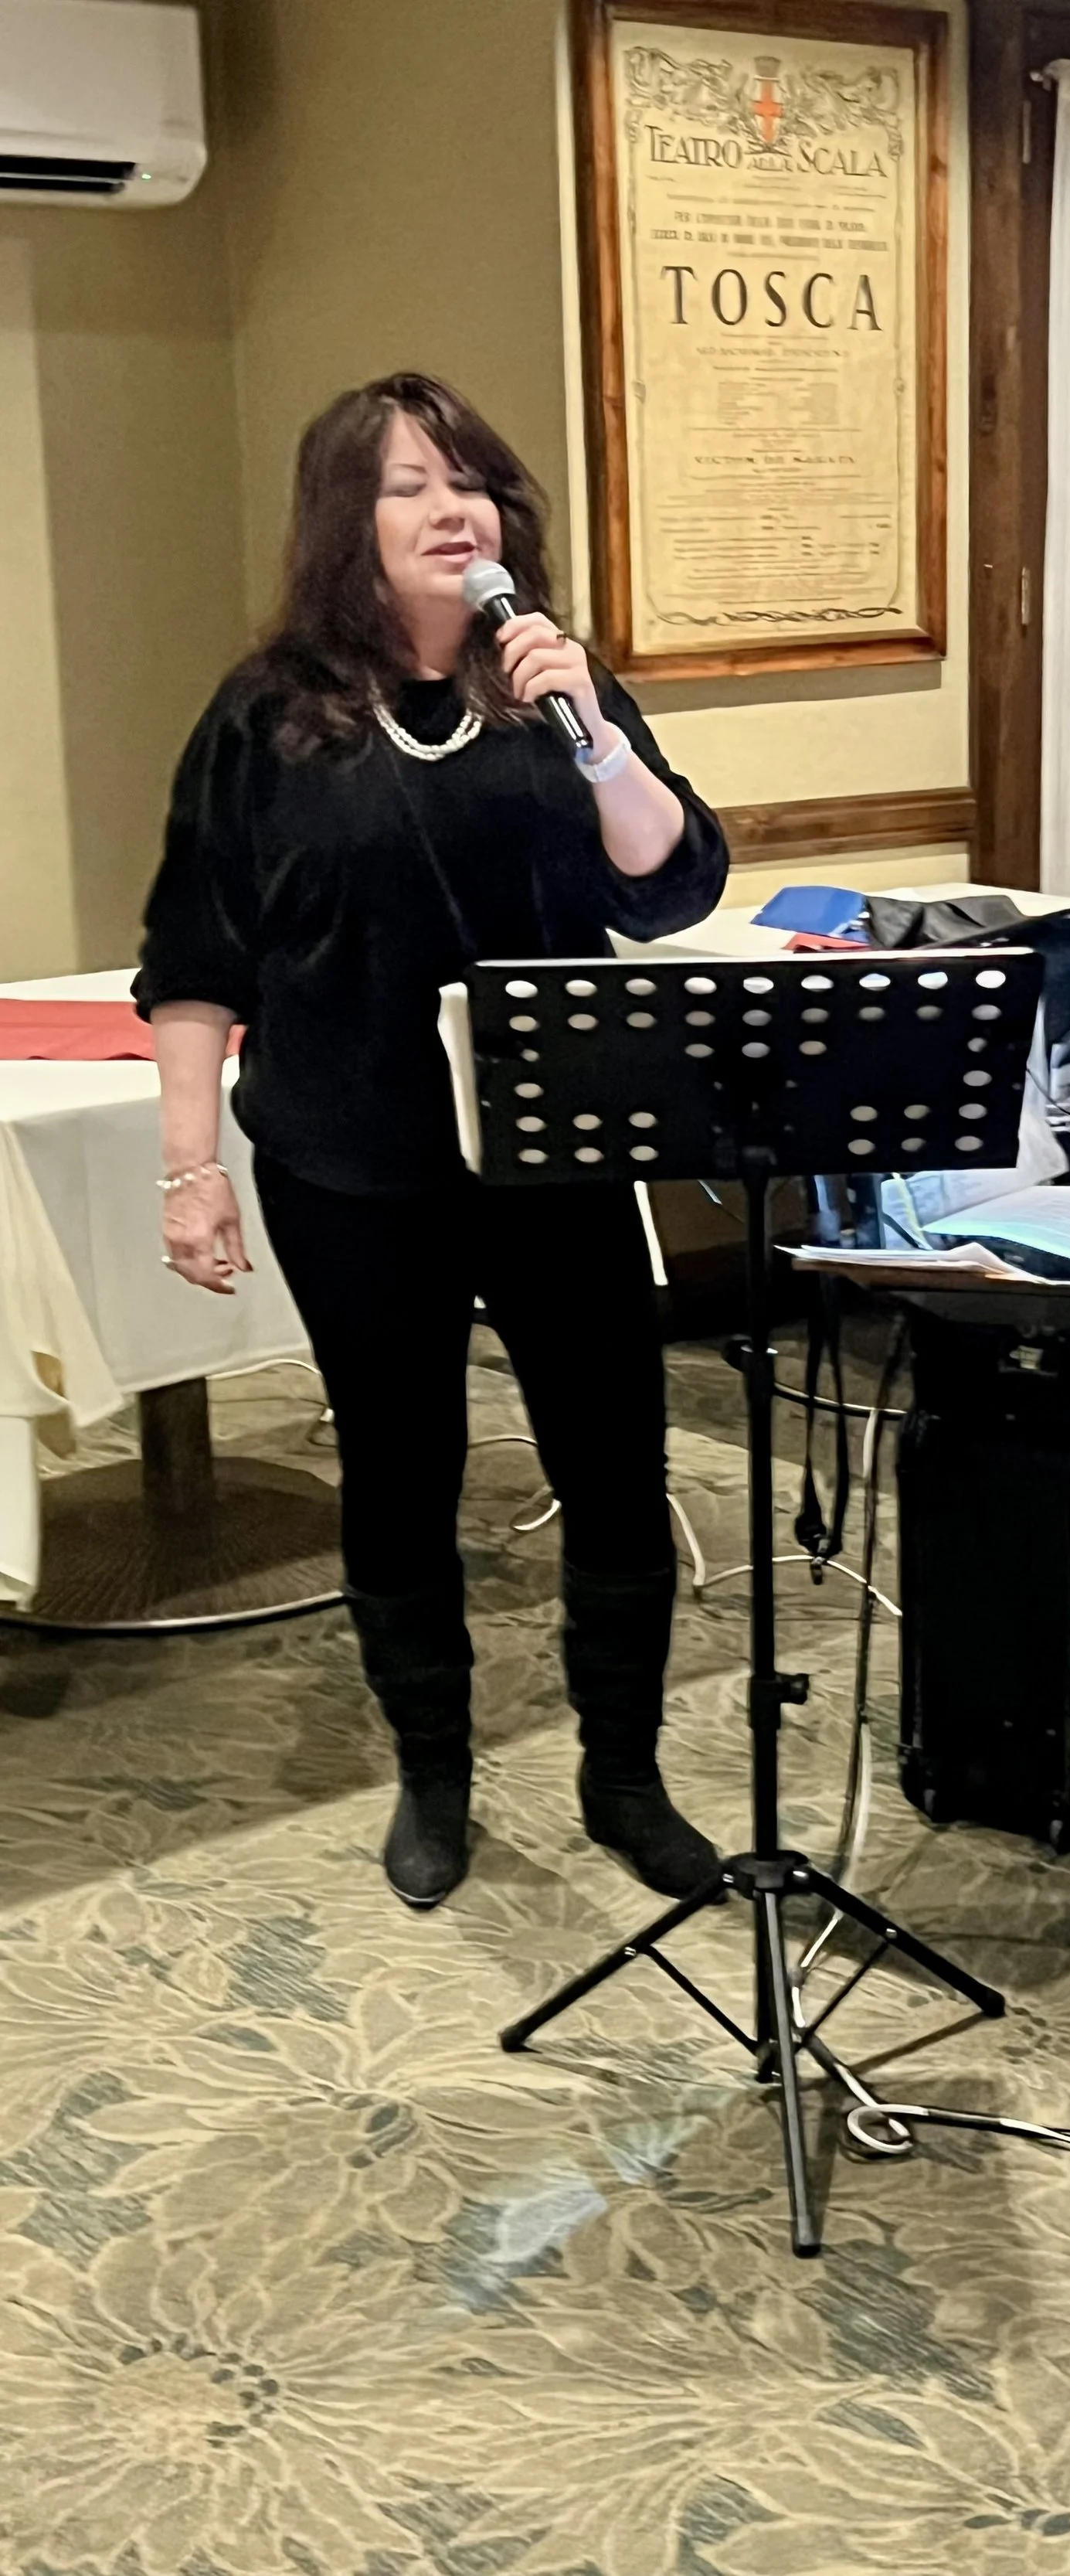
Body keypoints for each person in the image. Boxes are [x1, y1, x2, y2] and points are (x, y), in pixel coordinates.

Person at [137, 372, 730, 1914]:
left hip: (556, 1145)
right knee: (400, 1471)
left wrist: (594, 729)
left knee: (613, 1460)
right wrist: (188, 1166)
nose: (450, 502)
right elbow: (195, 954)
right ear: (351, 516)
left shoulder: (554, 684)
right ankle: (435, 1771)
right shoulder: (266, 714)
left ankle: (623, 1770)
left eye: (468, 475)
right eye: (409, 481)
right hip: (353, 1162)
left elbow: (665, 889)